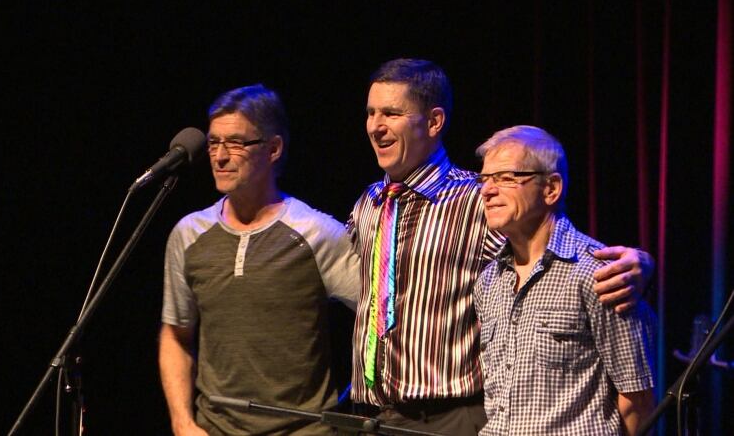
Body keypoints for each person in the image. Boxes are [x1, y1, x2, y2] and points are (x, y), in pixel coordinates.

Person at [347, 58, 653, 435]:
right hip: (376, 414)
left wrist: (641, 262)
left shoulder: (474, 197)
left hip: (449, 415)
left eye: (391, 113)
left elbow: (555, 247)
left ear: (434, 122)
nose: (376, 125)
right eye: (371, 112)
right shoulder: (369, 203)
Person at [158, 84, 359, 435]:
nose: (219, 156)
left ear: (274, 149)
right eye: (213, 143)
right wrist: (182, 422)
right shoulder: (189, 234)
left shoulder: (316, 232)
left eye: (235, 143)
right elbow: (176, 334)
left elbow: (382, 321)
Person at [472, 125, 655, 435]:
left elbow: (636, 399)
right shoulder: (488, 282)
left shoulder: (602, 274)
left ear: (551, 189)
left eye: (505, 178)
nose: (488, 190)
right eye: (485, 179)